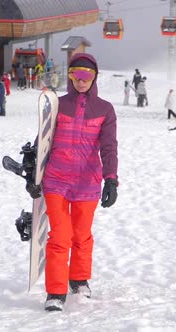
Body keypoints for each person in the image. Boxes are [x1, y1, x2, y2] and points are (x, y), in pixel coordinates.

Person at [41, 53, 118, 312]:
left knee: (81, 235)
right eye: (75, 75)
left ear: (94, 76)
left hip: (88, 181)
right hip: (56, 179)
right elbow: (43, 142)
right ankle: (55, 292)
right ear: (70, 76)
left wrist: (111, 180)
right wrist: (33, 174)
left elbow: (109, 147)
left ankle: (79, 279)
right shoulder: (57, 105)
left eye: (86, 75)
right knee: (60, 236)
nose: (81, 80)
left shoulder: (105, 109)